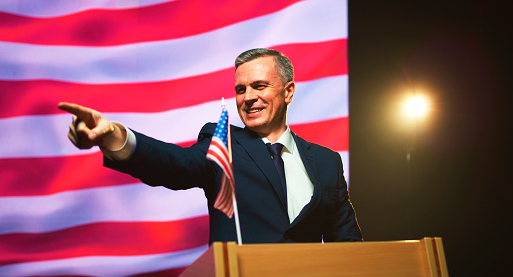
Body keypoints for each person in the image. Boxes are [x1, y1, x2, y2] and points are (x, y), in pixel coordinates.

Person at [59, 48, 362, 244]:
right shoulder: (223, 144)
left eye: (259, 86)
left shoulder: (326, 162)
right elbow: (173, 163)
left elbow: (349, 247)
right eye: (241, 89)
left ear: (288, 92)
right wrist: (112, 135)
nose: (248, 97)